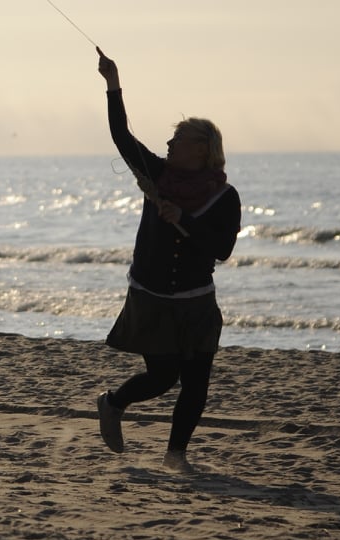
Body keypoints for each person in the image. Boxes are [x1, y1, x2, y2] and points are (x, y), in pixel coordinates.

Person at [93, 47, 240, 472]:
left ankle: (176, 456)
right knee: (161, 377)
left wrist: (185, 223)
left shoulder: (224, 197)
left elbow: (223, 249)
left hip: (195, 299)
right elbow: (122, 137)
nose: (169, 143)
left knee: (196, 382)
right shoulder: (157, 176)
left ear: (202, 150)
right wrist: (113, 85)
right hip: (152, 295)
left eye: (179, 140)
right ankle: (114, 402)